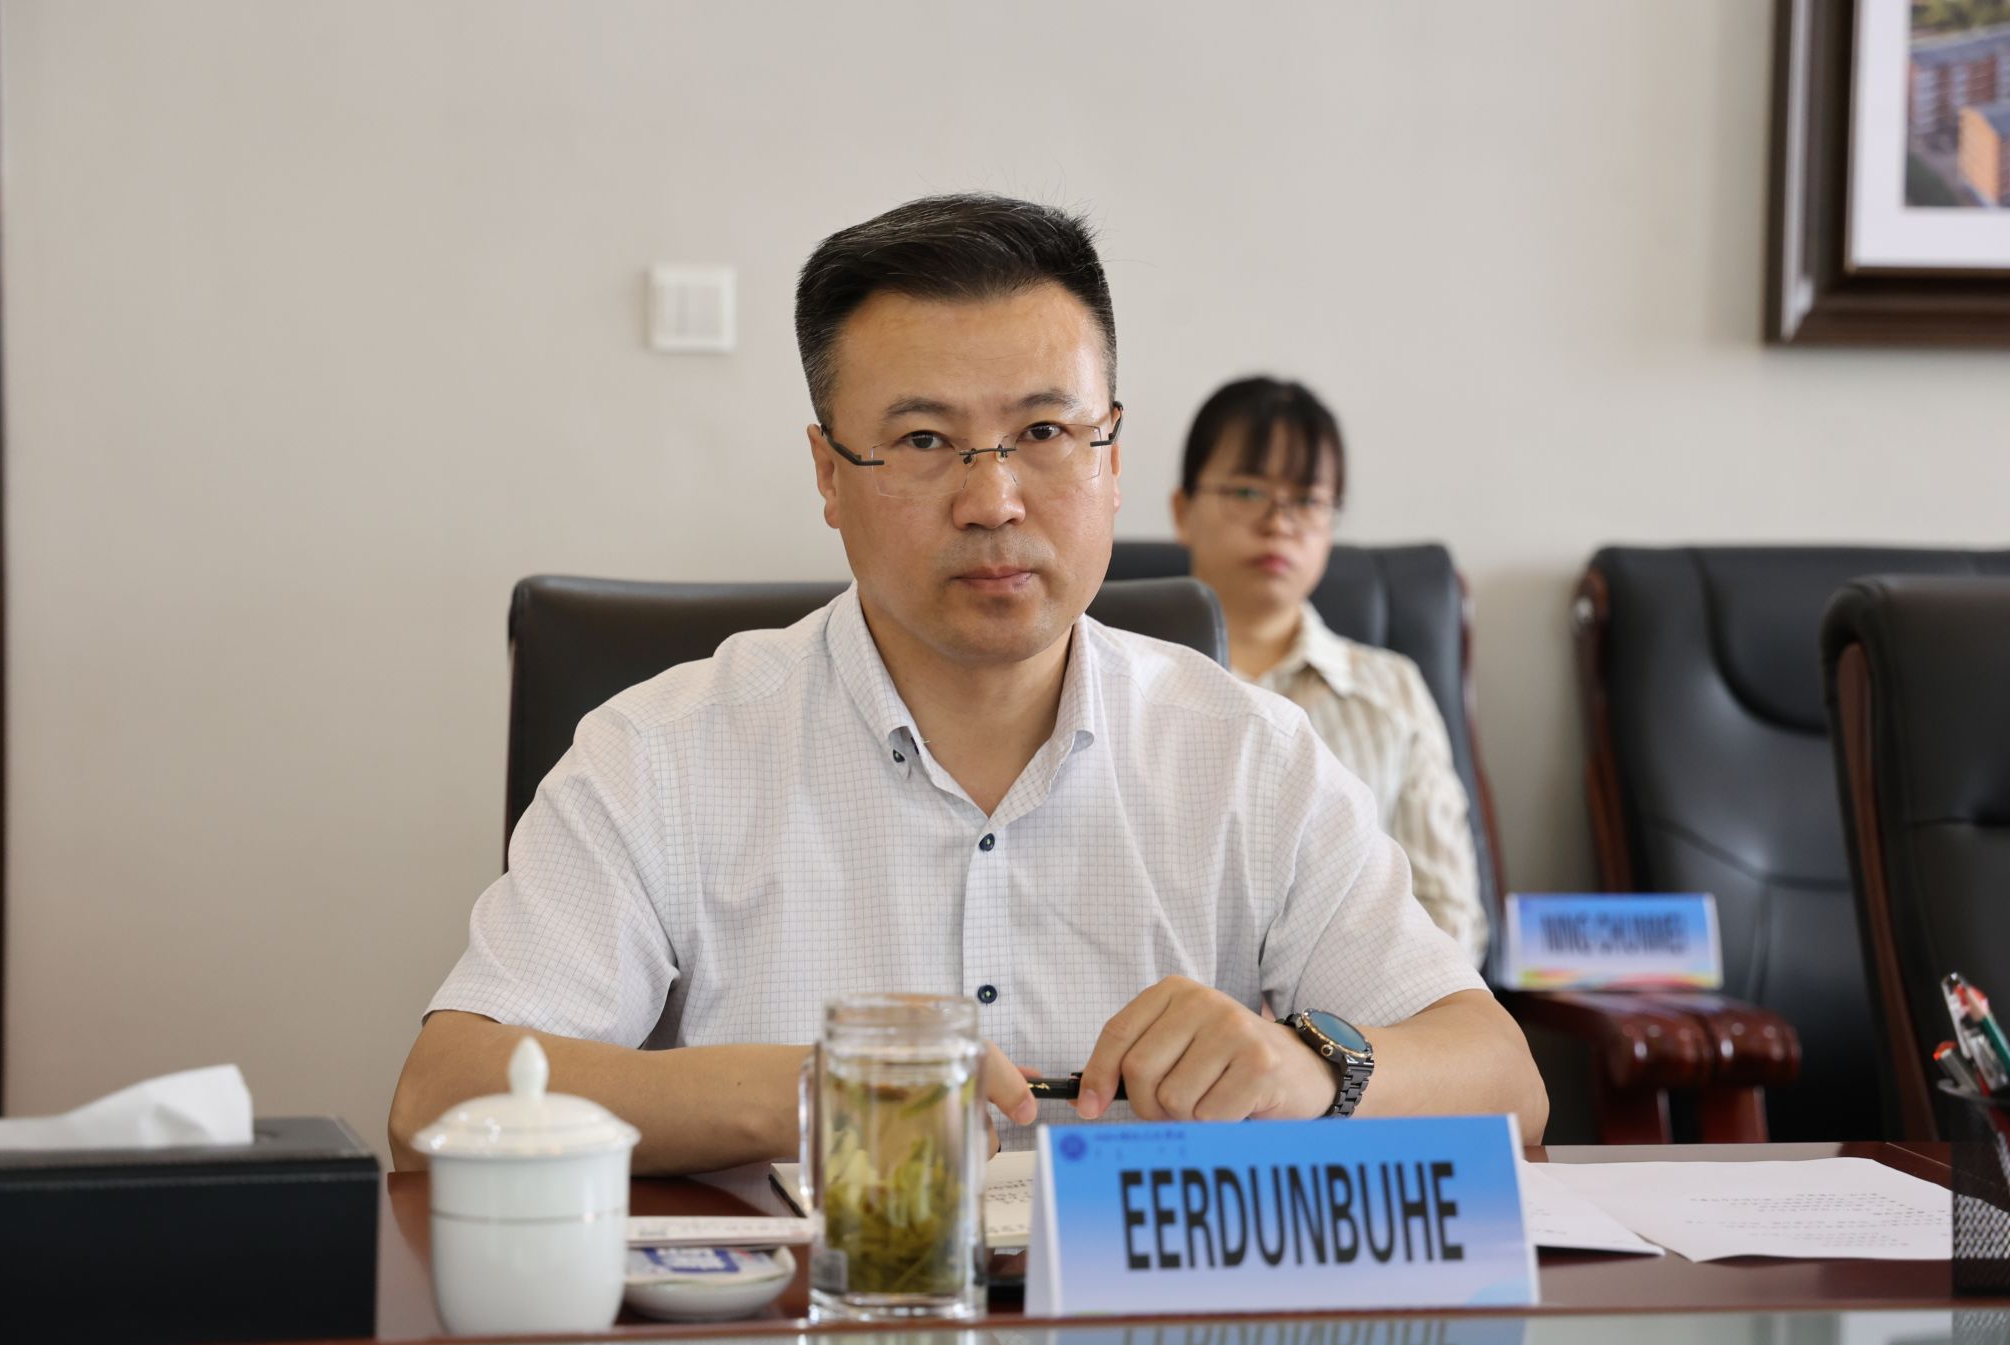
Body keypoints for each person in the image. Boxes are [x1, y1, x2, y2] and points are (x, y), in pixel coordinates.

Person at [388, 195, 1545, 1175]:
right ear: (827, 475)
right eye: (924, 442)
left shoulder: (1248, 756)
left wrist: (1309, 1072)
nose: (992, 501)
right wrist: (822, 1095)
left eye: (1043, 430)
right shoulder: (666, 752)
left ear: (1111, 454)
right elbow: (443, 1095)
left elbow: (1504, 1082)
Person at [1170, 378, 1488, 965]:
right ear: (1182, 511)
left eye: (1308, 501)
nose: (1279, 522)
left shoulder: (1391, 691)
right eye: (1248, 490)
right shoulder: (1123, 680)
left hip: (1362, 1017)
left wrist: (1327, 1019)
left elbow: (1448, 913)